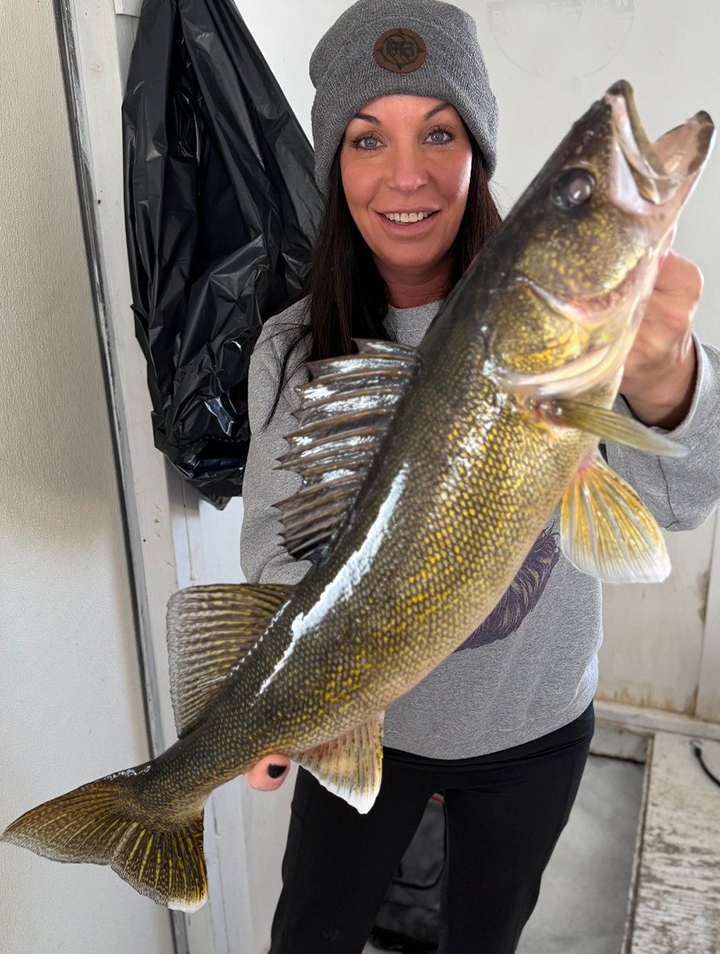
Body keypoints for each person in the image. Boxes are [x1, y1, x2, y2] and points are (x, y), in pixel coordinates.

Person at [238, 1, 720, 951]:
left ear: (480, 155)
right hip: (368, 725)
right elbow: (271, 553)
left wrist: (664, 376)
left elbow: (680, 499)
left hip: (536, 728)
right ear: (335, 163)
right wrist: (275, 698)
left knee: (482, 936)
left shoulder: (575, 341)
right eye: (368, 138)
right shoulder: (292, 354)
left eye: (441, 133)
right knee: (312, 933)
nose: (405, 174)